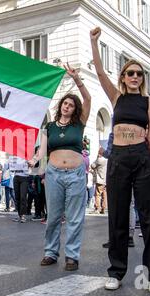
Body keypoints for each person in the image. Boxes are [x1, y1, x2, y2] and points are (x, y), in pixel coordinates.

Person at [91, 27, 150, 294]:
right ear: (123, 77)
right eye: (130, 73)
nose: (135, 76)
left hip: (143, 157)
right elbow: (99, 72)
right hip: (119, 158)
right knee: (118, 217)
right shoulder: (116, 97)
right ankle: (116, 272)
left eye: (139, 73)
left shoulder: (149, 102)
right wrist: (93, 42)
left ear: (142, 78)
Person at [28, 62, 91, 271]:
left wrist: (76, 79)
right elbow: (43, 151)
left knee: (74, 217)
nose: (67, 107)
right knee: (54, 216)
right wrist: (36, 163)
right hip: (54, 174)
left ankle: (72, 256)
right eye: (65, 103)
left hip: (75, 174)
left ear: (75, 110)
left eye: (71, 105)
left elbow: (88, 99)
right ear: (60, 106)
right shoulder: (50, 127)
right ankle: (50, 253)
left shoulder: (78, 124)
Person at [91, 146, 107, 214]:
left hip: (100, 180)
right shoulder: (107, 160)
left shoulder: (99, 160)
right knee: (104, 194)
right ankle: (103, 208)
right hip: (106, 180)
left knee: (97, 194)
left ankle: (97, 208)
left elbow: (92, 165)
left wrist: (97, 157)